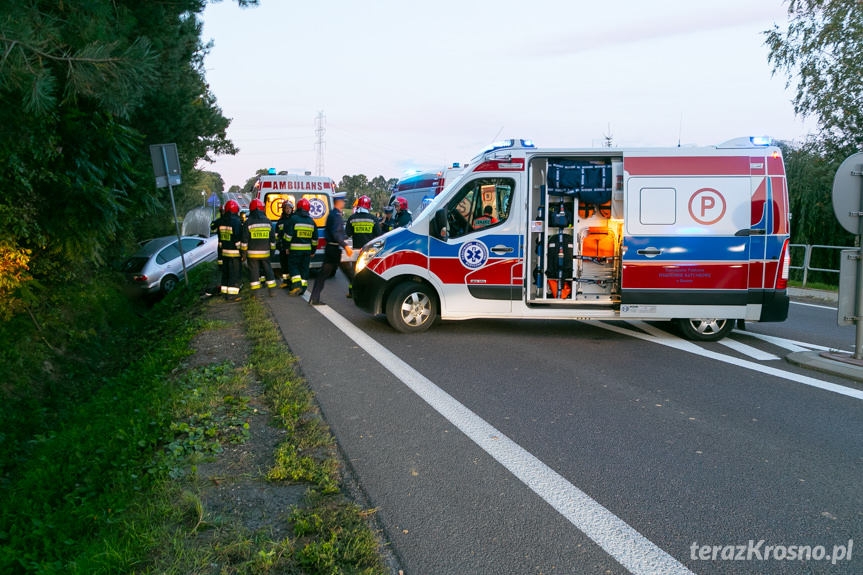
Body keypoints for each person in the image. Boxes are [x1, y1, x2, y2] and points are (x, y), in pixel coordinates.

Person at [309, 191, 353, 306]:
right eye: (343, 201)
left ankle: (314, 298)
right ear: (339, 202)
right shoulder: (336, 216)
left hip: (330, 248)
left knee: (323, 274)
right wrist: (346, 246)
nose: (343, 203)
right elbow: (336, 233)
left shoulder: (331, 214)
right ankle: (362, 297)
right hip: (335, 249)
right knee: (350, 274)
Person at [342, 195, 381, 298]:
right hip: (369, 252)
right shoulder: (373, 219)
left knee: (355, 272)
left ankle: (351, 292)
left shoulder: (352, 218)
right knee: (369, 272)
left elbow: (348, 234)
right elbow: (379, 235)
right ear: (368, 206)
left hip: (356, 251)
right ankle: (367, 294)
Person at [241, 198, 278, 297]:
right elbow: (272, 239)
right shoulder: (268, 222)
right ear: (262, 209)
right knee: (268, 271)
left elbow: (244, 241)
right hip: (266, 253)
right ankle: (272, 291)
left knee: (254, 274)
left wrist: (243, 255)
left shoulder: (247, 223)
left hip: (252, 255)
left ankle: (256, 294)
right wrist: (272, 252)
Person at [284, 198, 318, 296]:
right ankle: (303, 289)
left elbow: (288, 236)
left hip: (294, 250)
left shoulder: (293, 219)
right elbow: (315, 239)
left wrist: (286, 247)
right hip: (307, 251)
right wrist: (313, 251)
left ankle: (296, 286)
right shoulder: (312, 222)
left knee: (293, 267)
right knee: (304, 269)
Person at [218, 199, 244, 301]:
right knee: (234, 274)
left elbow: (220, 240)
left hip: (224, 253)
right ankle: (232, 295)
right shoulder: (236, 222)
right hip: (234, 254)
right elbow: (237, 239)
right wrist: (242, 252)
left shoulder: (222, 221)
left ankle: (224, 293)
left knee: (226, 273)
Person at [274, 199, 294, 288]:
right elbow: (277, 233)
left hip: (292, 246)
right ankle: (286, 281)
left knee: (291, 265)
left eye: (290, 208)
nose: (288, 209)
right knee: (284, 265)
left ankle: (292, 282)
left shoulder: (294, 219)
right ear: (283, 209)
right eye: (286, 208)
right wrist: (278, 243)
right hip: (282, 246)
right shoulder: (280, 221)